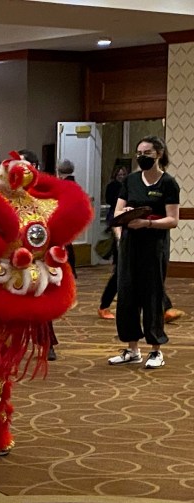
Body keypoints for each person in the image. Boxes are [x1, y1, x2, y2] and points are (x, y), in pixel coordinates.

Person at [107, 135, 179, 369]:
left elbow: (173, 220)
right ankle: (132, 349)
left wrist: (147, 223)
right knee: (127, 296)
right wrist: (123, 229)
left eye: (147, 153)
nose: (142, 157)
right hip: (130, 246)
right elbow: (117, 214)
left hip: (154, 247)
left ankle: (156, 350)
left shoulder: (168, 183)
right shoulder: (131, 180)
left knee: (152, 296)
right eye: (139, 153)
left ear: (159, 154)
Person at [20, 149, 60, 361]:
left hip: (38, 254)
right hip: (12, 254)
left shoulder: (44, 193)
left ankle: (46, 343)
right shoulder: (9, 192)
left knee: (40, 302)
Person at [97, 165, 129, 319]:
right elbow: (115, 212)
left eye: (123, 174)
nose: (121, 176)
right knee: (119, 273)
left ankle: (165, 307)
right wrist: (119, 237)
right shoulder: (115, 188)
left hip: (132, 234)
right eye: (119, 174)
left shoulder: (130, 188)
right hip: (121, 233)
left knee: (146, 274)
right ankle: (104, 305)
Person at [55, 159, 79, 279]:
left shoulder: (64, 185)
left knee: (66, 246)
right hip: (72, 218)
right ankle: (71, 270)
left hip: (64, 219)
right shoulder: (74, 184)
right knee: (68, 245)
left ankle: (69, 270)